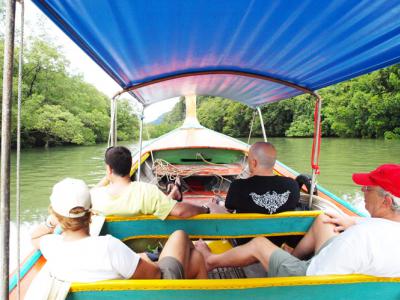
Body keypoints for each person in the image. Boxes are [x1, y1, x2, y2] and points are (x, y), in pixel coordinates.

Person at [195, 164, 400, 277]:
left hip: (311, 278)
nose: (363, 192)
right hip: (353, 267)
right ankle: (294, 254)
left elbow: (318, 278)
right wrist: (356, 221)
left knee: (259, 243)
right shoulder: (370, 229)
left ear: (386, 200)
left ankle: (210, 261)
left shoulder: (359, 238)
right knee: (324, 219)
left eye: (367, 188)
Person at [31, 178, 208, 282]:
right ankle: (204, 255)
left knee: (195, 259)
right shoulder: (108, 246)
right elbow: (154, 274)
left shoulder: (52, 246)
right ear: (90, 210)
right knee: (181, 237)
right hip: (154, 292)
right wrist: (143, 259)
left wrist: (51, 221)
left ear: (55, 214)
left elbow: (35, 237)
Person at [90, 146, 215, 219]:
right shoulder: (147, 191)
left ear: (109, 169)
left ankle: (174, 192)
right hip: (148, 249)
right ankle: (174, 191)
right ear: (130, 166)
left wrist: (108, 176)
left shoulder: (94, 196)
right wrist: (204, 209)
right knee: (160, 205)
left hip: (114, 253)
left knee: (160, 203)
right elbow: (180, 211)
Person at [223, 142, 300, 245]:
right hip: (278, 243)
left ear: (254, 163)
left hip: (245, 244)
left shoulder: (238, 186)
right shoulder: (293, 185)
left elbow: (229, 208)